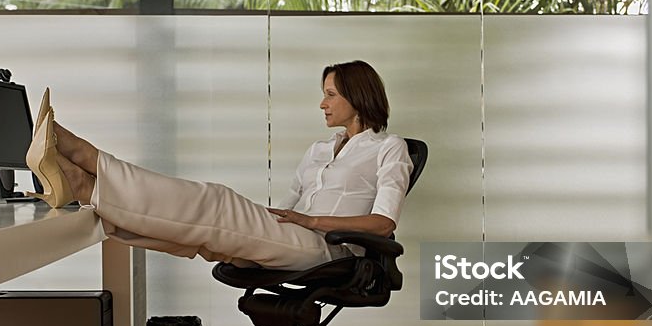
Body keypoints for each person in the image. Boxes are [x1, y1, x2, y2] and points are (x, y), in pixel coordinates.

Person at [26, 60, 413, 271]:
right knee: (201, 235)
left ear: (357, 97)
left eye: (330, 94)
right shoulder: (319, 150)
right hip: (291, 237)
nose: (322, 104)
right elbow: (282, 208)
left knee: (217, 201)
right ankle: (85, 185)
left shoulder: (388, 148)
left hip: (329, 251)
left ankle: (85, 164)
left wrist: (313, 222)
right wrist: (279, 218)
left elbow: (383, 224)